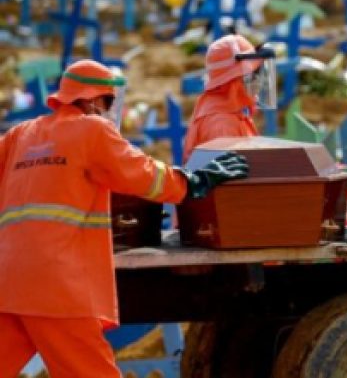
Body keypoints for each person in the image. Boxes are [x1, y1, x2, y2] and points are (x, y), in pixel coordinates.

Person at [0, 60, 250, 377]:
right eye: (108, 103)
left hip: (9, 283)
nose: (109, 112)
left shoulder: (20, 135)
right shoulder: (91, 129)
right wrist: (192, 182)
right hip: (57, 287)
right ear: (92, 100)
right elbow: (142, 174)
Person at [183, 34, 277, 161]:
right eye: (253, 74)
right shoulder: (221, 125)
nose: (259, 81)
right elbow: (233, 177)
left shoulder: (232, 110)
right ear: (234, 80)